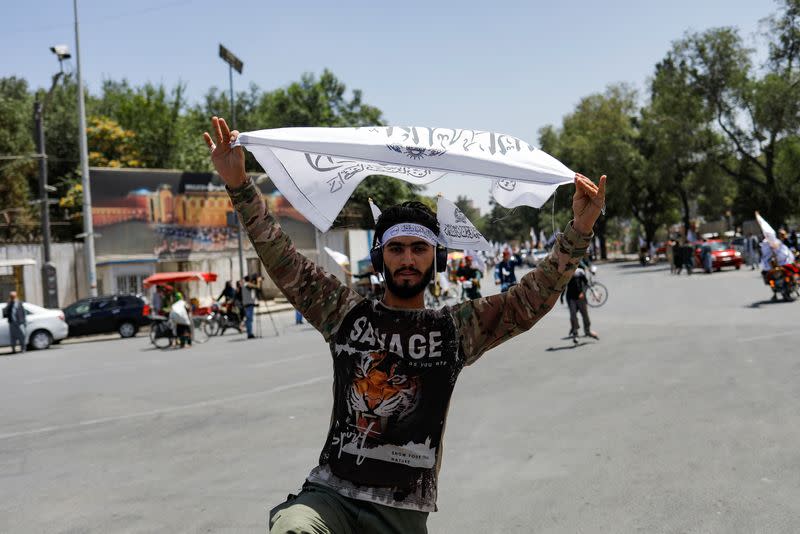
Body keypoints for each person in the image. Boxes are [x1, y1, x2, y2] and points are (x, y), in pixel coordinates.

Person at [204, 116, 606, 534]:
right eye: (396, 249)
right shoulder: (344, 312)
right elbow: (281, 256)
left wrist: (579, 229)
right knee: (294, 528)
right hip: (330, 495)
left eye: (419, 248)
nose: (408, 259)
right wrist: (239, 184)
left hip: (401, 511)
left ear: (437, 259)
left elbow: (530, 299)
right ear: (380, 259)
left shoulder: (456, 329)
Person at [560, 267, 599, 342]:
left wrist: (583, 292)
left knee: (585, 315)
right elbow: (563, 286)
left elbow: (586, 283)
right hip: (570, 297)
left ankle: (587, 331)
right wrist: (561, 297)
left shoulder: (580, 272)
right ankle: (575, 334)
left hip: (580, 297)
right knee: (573, 315)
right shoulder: (566, 272)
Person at [242, 274, 260, 339]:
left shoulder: (244, 285)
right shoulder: (247, 284)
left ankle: (249, 332)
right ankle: (250, 334)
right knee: (249, 319)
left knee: (248, 319)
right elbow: (257, 287)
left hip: (247, 304)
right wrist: (258, 281)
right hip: (248, 305)